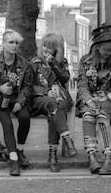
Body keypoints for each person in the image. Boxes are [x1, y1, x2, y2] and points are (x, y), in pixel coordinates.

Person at [76, 25, 111, 175]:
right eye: (106, 49)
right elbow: (82, 85)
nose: (109, 52)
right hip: (90, 99)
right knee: (88, 116)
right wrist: (88, 101)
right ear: (97, 47)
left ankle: (109, 156)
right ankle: (92, 155)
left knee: (102, 117)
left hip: (110, 97)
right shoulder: (85, 61)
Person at [0, 29, 33, 176]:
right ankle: (14, 159)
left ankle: (20, 149)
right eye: (11, 42)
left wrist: (20, 101)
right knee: (8, 124)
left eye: (16, 43)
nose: (14, 46)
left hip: (16, 99)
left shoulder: (24, 64)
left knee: (25, 118)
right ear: (3, 44)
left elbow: (27, 87)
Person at [30, 33, 78, 173]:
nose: (45, 49)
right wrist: (46, 92)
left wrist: (53, 64)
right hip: (39, 99)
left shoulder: (61, 62)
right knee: (54, 105)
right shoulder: (34, 62)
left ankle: (53, 156)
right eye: (44, 45)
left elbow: (65, 79)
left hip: (58, 101)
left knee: (55, 109)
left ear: (57, 50)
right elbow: (29, 85)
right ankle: (66, 142)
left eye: (50, 47)